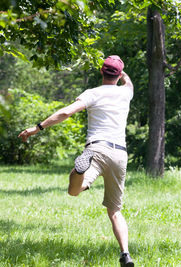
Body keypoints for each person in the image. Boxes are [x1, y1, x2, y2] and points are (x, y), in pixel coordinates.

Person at [18, 55, 135, 267]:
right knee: (115, 211)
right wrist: (122, 70)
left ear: (101, 72)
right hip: (119, 154)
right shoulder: (126, 93)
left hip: (97, 149)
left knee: (74, 191)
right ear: (119, 74)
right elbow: (128, 81)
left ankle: (80, 173)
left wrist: (37, 128)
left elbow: (65, 112)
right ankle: (125, 254)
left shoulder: (93, 94)